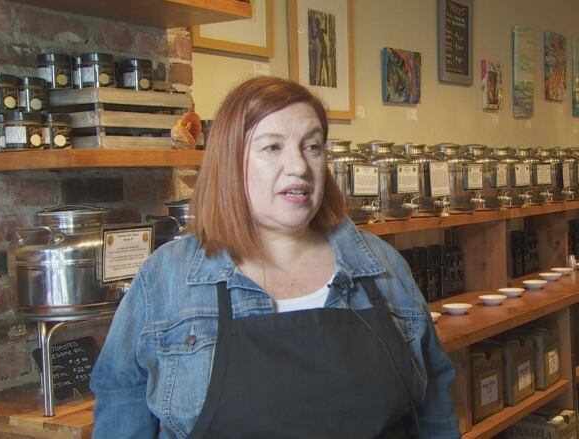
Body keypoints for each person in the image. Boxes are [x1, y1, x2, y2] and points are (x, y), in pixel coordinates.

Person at [90, 76, 459, 438]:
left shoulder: (381, 266)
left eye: (312, 147)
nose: (299, 166)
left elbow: (433, 402)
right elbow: (122, 395)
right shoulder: (168, 277)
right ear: (230, 161)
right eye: (272, 147)